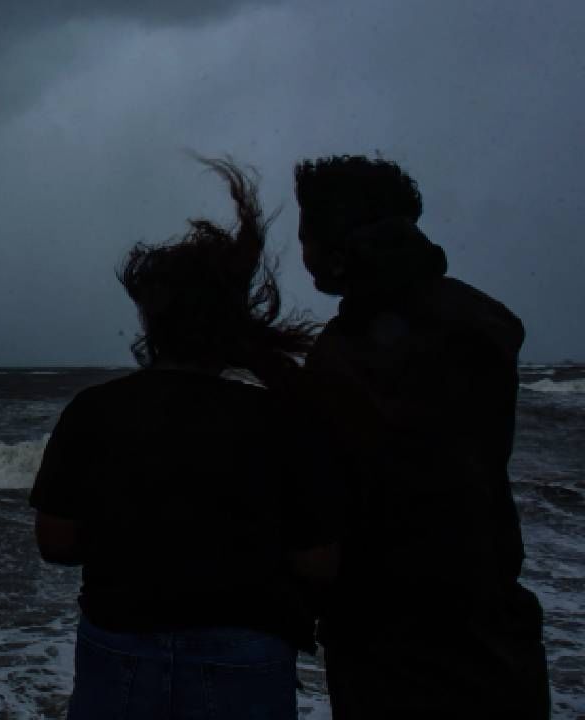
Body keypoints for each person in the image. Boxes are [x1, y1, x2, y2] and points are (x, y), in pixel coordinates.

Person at [30, 158, 338, 719]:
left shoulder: (95, 411)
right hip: (248, 654)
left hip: (118, 644)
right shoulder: (280, 418)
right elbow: (317, 561)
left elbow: (55, 542)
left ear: (150, 321)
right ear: (230, 323)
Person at [288, 155, 550, 718]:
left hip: (395, 652)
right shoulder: (478, 319)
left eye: (307, 236)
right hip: (495, 637)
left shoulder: (357, 348)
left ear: (336, 242)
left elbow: (367, 461)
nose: (302, 255)